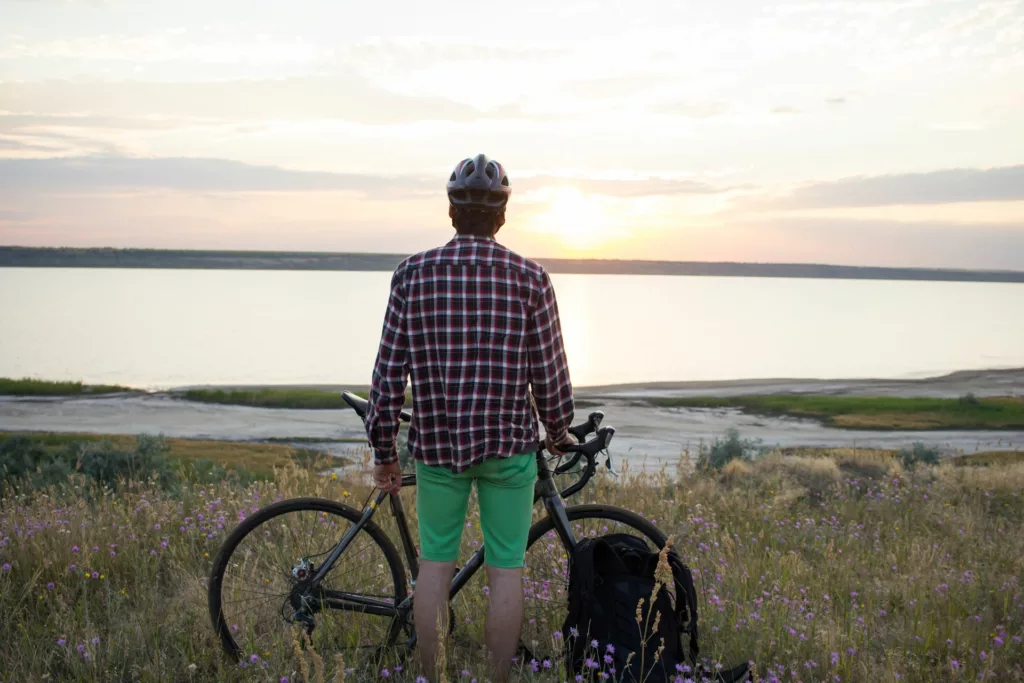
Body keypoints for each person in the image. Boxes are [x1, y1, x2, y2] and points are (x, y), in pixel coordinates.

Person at [364, 153, 577, 682]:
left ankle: (432, 677)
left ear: (452, 212)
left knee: (434, 566)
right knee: (507, 569)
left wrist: (385, 451)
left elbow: (388, 376)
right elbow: (549, 375)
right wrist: (557, 430)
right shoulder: (531, 278)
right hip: (509, 451)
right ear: (501, 215)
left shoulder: (411, 274)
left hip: (438, 448)